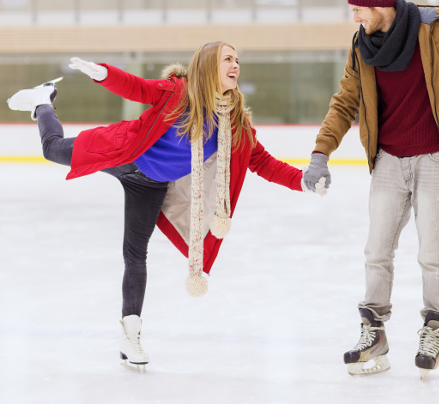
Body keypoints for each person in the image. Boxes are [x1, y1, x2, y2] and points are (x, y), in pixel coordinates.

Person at [7, 41, 327, 373]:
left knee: (135, 252)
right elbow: (137, 88)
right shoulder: (178, 92)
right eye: (228, 59)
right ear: (207, 66)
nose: (236, 65)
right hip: (124, 153)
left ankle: (130, 334)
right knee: (52, 149)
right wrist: (104, 73)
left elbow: (263, 162)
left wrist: (302, 180)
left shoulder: (234, 124)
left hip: (149, 184)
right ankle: (43, 101)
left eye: (238, 60)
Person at [303, 0, 439, 379]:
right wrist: (321, 152)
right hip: (388, 163)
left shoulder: (437, 28)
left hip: (433, 159)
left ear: (381, 5)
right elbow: (344, 103)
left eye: (358, 9)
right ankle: (373, 331)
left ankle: (434, 324)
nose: (353, 17)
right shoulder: (362, 46)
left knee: (432, 254)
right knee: (376, 252)